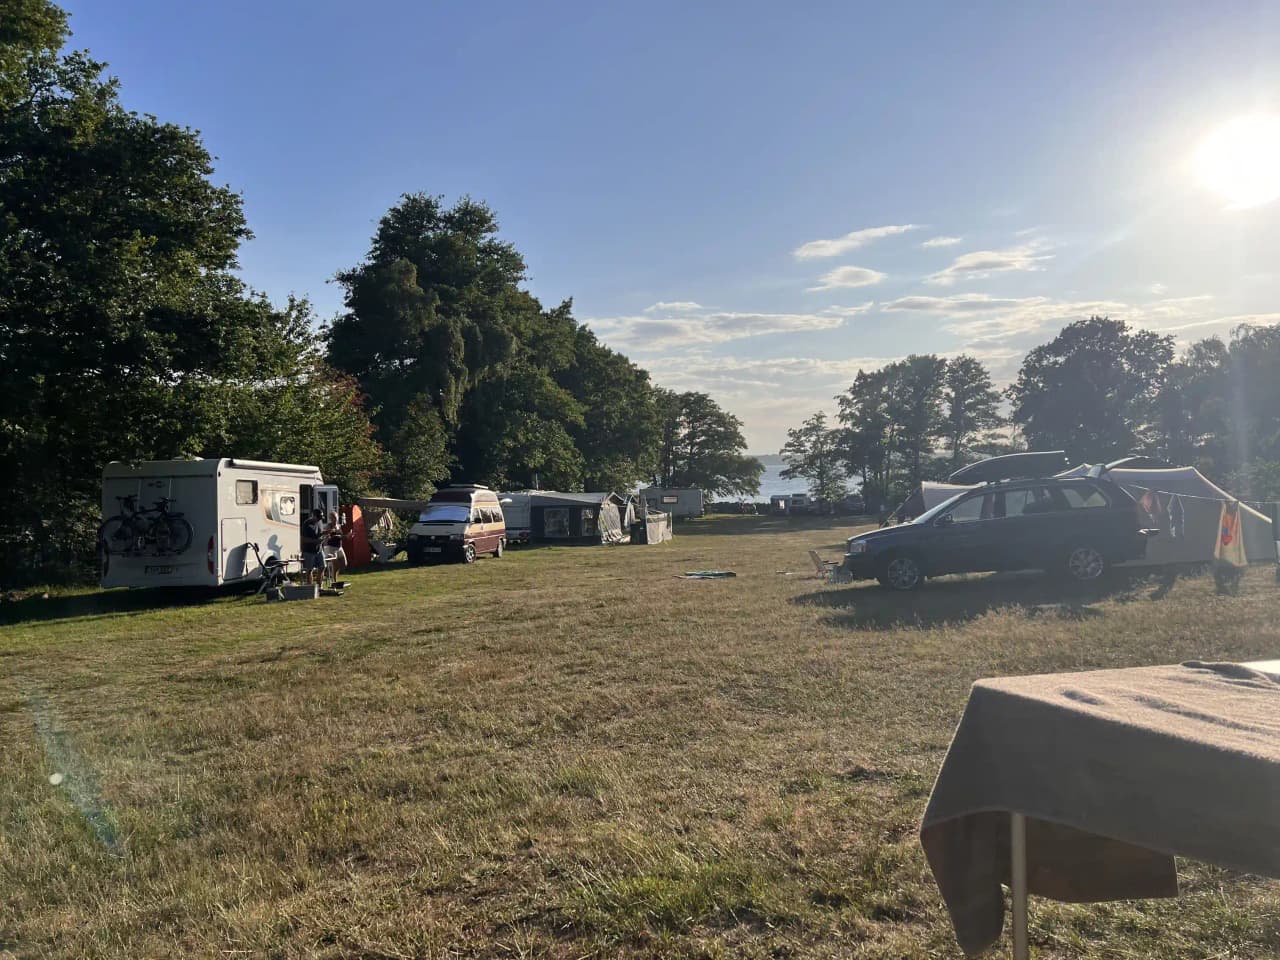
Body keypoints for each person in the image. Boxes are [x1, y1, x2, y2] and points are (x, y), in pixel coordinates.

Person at [322, 510, 347, 580]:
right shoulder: (328, 526)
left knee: (344, 563)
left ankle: (330, 575)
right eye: (333, 518)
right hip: (330, 547)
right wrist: (336, 536)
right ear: (330, 518)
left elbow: (341, 536)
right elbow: (327, 536)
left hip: (339, 547)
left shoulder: (338, 526)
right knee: (335, 565)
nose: (335, 520)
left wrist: (347, 536)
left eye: (336, 518)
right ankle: (334, 580)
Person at [301, 508, 324, 577]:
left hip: (318, 549)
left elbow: (319, 533)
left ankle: (319, 585)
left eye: (321, 517)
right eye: (319, 517)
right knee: (310, 570)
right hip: (309, 550)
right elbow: (303, 539)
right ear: (313, 516)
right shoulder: (306, 524)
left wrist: (327, 532)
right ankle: (310, 586)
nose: (320, 519)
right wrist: (316, 541)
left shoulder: (319, 522)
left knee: (322, 567)